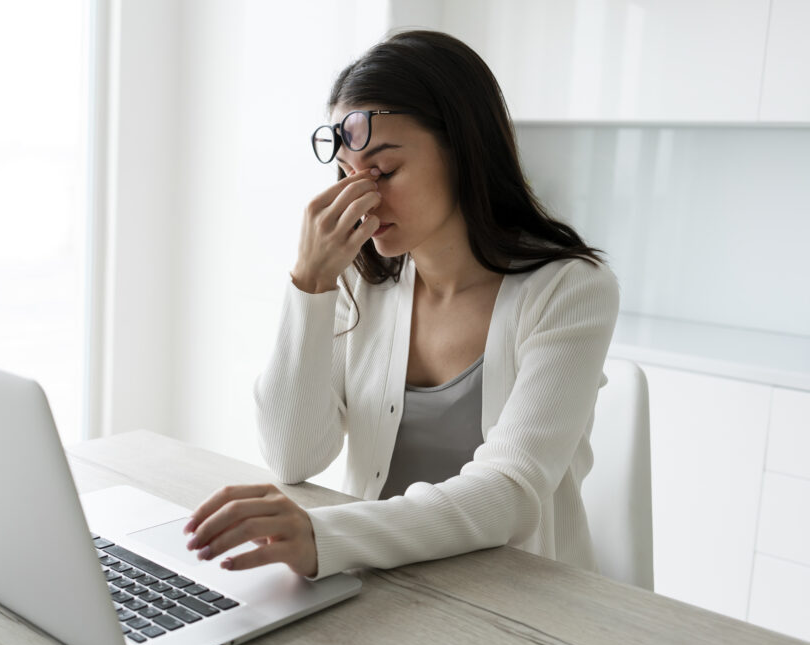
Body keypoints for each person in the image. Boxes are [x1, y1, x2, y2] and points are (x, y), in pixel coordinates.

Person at [182, 30, 618, 580]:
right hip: (375, 581)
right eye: (345, 172)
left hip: (517, 600)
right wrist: (309, 282)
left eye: (383, 171)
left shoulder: (570, 290)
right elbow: (294, 457)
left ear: (465, 151)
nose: (360, 195)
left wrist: (325, 536)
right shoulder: (359, 281)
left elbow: (511, 492)